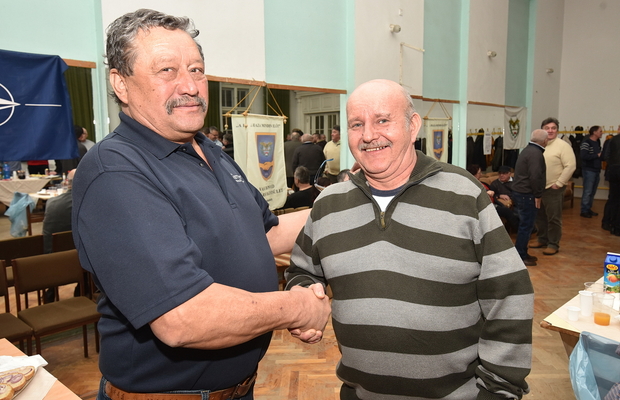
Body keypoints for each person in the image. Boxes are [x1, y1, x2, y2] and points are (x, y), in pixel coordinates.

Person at [72, 9, 330, 400]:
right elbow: (183, 318)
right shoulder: (116, 170)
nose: (190, 86)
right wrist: (296, 307)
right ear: (120, 83)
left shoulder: (210, 151)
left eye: (196, 70)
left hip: (239, 388)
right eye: (167, 71)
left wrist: (344, 206)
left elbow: (265, 235)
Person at [286, 79, 533, 400]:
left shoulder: (462, 194)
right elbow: (301, 271)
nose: (368, 135)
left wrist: (498, 389)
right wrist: (303, 297)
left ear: (413, 125)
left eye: (382, 120)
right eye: (357, 124)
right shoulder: (328, 204)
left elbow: (510, 294)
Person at [530, 117, 576, 256]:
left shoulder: (563, 146)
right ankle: (542, 239)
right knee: (540, 216)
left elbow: (570, 166)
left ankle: (553, 244)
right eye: (547, 128)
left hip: (553, 188)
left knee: (553, 218)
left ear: (557, 130)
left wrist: (559, 183)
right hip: (538, 189)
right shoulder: (538, 145)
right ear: (542, 130)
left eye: (553, 128)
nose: (550, 131)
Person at [511, 130, 548, 266]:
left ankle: (522, 252)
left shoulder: (527, 150)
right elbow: (535, 176)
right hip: (527, 194)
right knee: (526, 226)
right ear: (544, 141)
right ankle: (520, 255)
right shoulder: (535, 153)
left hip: (521, 192)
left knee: (525, 225)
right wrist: (538, 195)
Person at [580, 125, 603, 218]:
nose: (602, 133)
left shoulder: (597, 143)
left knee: (592, 191)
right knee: (588, 191)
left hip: (596, 170)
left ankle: (588, 208)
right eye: (600, 131)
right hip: (589, 170)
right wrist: (597, 155)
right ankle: (584, 210)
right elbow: (583, 156)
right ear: (594, 132)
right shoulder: (586, 143)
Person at [603, 130, 620, 235]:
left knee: (613, 199)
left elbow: (605, 156)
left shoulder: (611, 140)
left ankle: (607, 223)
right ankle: (617, 227)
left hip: (613, 171)